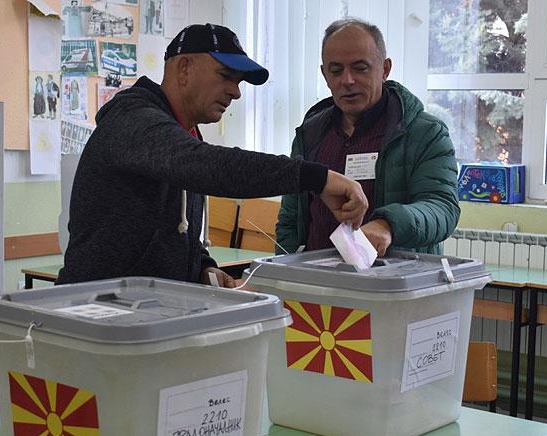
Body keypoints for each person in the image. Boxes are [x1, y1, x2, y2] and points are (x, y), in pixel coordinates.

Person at [58, 23, 367, 287]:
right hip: (99, 316)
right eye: (225, 76)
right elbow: (210, 165)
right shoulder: (133, 120)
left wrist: (203, 267)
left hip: (148, 312)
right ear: (184, 69)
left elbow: (170, 227)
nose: (236, 91)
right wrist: (316, 177)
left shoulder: (184, 133)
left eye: (239, 81)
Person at [276, 18, 460, 257]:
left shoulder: (425, 133)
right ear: (324, 74)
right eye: (336, 70)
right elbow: (291, 219)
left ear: (385, 69)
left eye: (360, 68)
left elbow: (442, 208)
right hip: (316, 286)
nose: (348, 80)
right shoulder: (309, 134)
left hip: (393, 285)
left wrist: (389, 224)